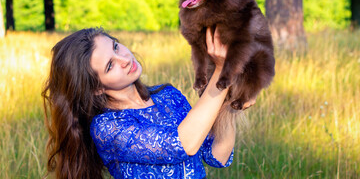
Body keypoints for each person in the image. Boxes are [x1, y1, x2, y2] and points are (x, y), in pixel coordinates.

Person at [42, 27, 236, 179]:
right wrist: (222, 71)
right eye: (110, 65)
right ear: (96, 88)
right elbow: (182, 144)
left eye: (116, 47)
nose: (124, 59)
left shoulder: (168, 95)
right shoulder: (108, 127)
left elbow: (216, 156)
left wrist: (232, 103)